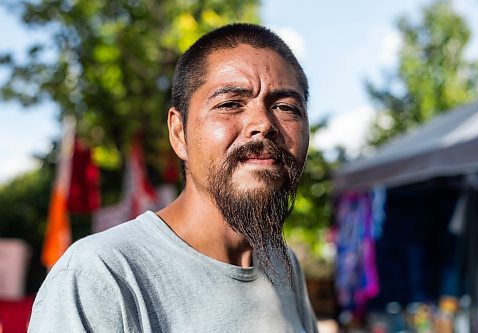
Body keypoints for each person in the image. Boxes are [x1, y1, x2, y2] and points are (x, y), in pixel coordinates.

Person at [29, 23, 318, 333]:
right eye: (230, 104)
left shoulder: (282, 264)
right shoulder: (102, 276)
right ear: (179, 133)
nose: (263, 124)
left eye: (286, 107)